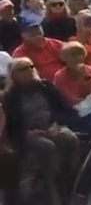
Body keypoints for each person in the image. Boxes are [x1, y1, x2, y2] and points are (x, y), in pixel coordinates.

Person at [2, 58, 80, 205]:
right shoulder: (9, 98)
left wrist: (57, 123)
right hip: (29, 134)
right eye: (23, 69)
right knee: (47, 147)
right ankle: (53, 191)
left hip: (52, 126)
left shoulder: (46, 87)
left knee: (69, 139)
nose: (29, 71)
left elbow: (68, 110)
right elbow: (10, 127)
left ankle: (71, 183)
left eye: (31, 67)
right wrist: (26, 133)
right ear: (14, 75)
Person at [52, 42, 91, 134]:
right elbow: (67, 98)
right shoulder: (59, 76)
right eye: (73, 55)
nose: (78, 58)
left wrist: (86, 77)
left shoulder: (90, 70)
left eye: (80, 54)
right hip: (73, 110)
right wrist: (83, 102)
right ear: (65, 58)